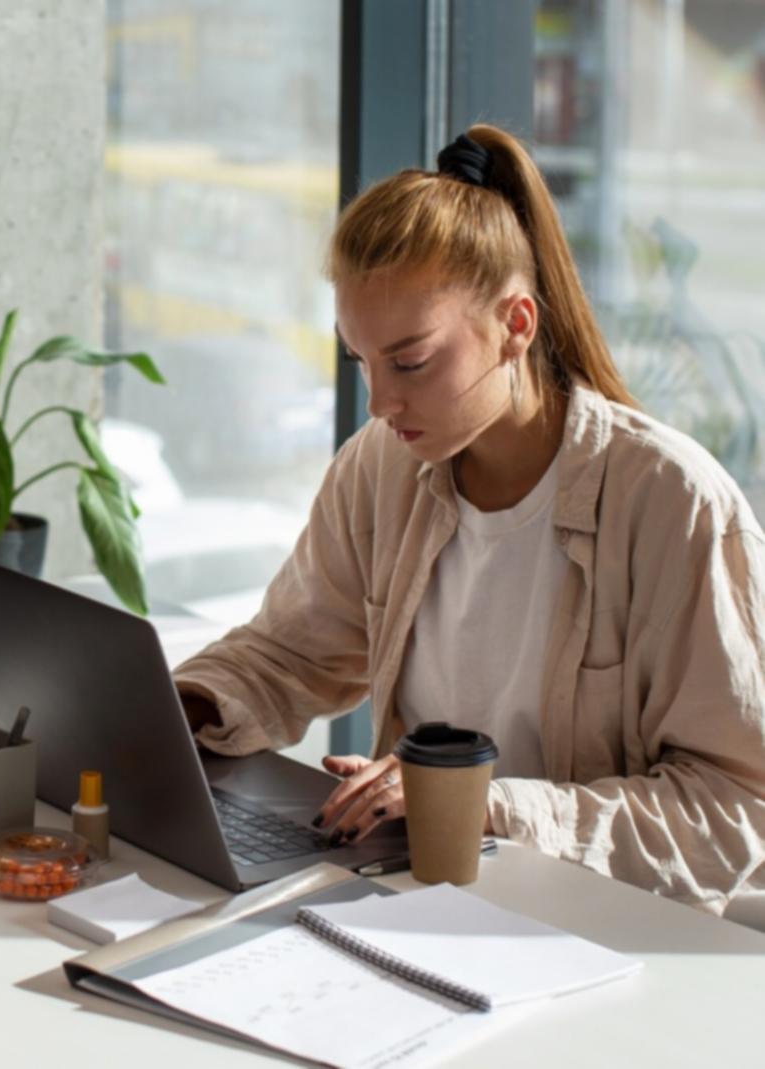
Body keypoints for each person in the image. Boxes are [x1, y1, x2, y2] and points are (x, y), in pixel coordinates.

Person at [173, 124, 765, 917]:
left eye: (410, 362)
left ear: (516, 325)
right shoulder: (381, 466)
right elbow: (288, 652)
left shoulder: (674, 504)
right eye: (362, 361)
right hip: (410, 909)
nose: (380, 402)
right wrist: (180, 706)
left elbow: (738, 810)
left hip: (589, 935)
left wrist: (480, 804)